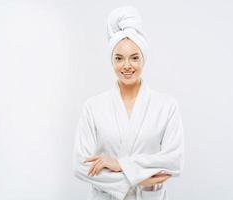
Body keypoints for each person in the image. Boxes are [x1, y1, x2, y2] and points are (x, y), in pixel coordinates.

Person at [72, 5, 185, 200]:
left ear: (144, 59)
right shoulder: (93, 107)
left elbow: (174, 161)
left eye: (134, 58)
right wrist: (139, 178)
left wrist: (120, 165)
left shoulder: (166, 106)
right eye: (119, 58)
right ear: (111, 61)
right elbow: (81, 166)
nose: (126, 66)